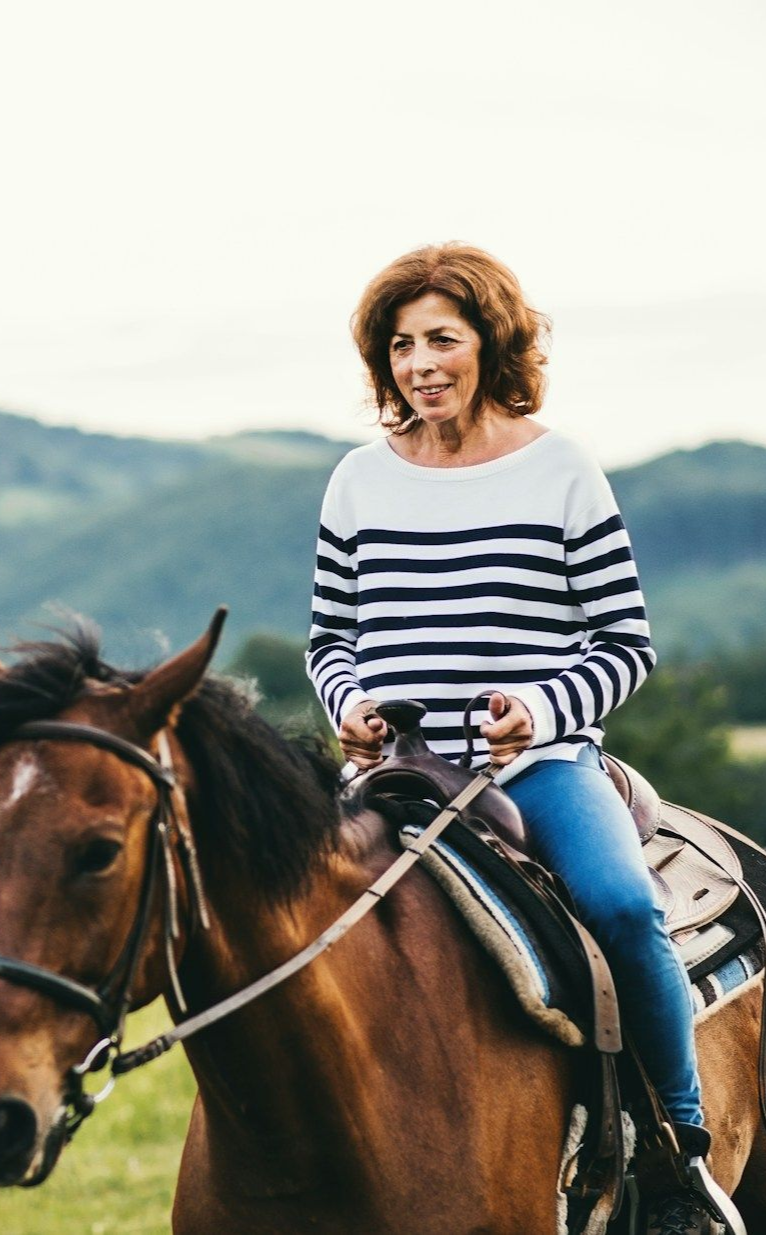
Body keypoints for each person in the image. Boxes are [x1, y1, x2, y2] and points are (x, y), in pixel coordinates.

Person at [306, 244, 738, 1235]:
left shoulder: (560, 467)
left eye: (439, 339)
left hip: (534, 767)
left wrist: (538, 713)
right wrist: (346, 703)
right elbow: (330, 637)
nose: (418, 363)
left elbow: (625, 643)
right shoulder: (355, 481)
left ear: (486, 343)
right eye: (399, 344)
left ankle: (677, 1158)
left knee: (624, 908)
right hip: (393, 774)